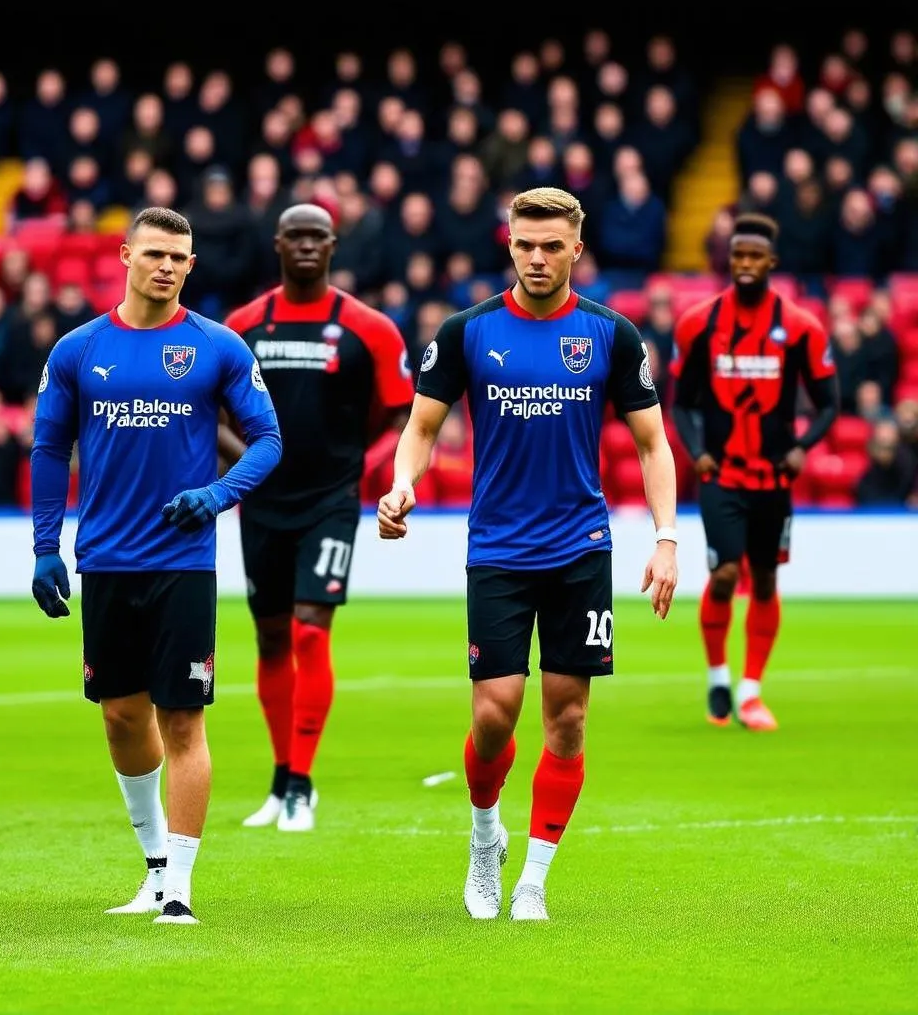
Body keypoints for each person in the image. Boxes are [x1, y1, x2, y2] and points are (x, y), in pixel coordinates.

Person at [377, 187, 678, 922]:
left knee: (568, 718)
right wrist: (401, 484)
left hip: (581, 547)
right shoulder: (465, 332)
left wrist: (666, 537)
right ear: (508, 245)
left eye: (551, 246)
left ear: (577, 248)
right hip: (500, 549)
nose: (536, 258)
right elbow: (418, 429)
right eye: (524, 245)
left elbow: (651, 444)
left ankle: (534, 880)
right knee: (494, 714)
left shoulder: (612, 335)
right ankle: (486, 838)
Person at [30, 206, 282, 925]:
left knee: (183, 721)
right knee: (119, 716)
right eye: (155, 254)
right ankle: (150, 867)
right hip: (105, 558)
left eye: (180, 257)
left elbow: (267, 440)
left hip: (183, 563)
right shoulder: (78, 350)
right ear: (126, 255)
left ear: (190, 265)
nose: (167, 266)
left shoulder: (218, 347)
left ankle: (179, 888)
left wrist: (217, 494)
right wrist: (47, 546)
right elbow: (49, 449)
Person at [222, 203, 414, 832]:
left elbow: (401, 414)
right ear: (278, 244)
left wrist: (365, 468)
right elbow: (214, 416)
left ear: (334, 246)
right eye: (295, 237)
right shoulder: (243, 326)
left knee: (310, 629)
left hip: (331, 502)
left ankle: (303, 782)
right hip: (263, 503)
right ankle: (280, 778)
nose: (306, 246)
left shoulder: (371, 329)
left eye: (317, 238)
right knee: (272, 635)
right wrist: (248, 468)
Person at [670, 212, 838, 732]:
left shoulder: (803, 328)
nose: (744, 264)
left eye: (754, 256)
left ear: (772, 261)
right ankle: (719, 677)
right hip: (721, 475)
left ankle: (751, 692)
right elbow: (680, 402)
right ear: (728, 258)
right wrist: (697, 450)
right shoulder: (699, 323)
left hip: (773, 479)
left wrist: (803, 446)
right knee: (724, 576)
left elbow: (830, 402)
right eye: (737, 255)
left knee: (764, 580)